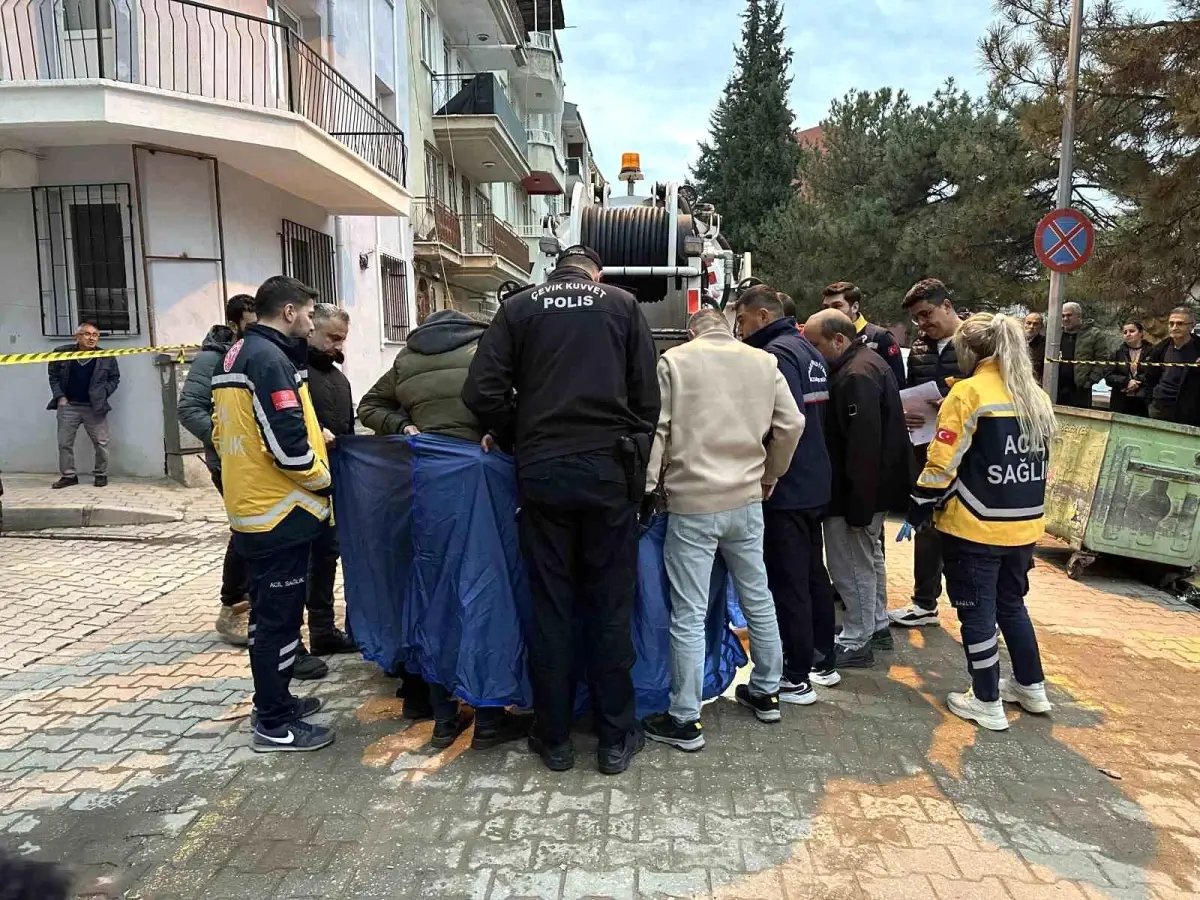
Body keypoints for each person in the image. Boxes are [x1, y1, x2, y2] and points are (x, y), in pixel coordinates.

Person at [463, 245, 660, 775]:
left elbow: (481, 391)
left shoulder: (519, 307)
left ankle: (553, 739)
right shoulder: (621, 305)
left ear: (555, 272)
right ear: (597, 273)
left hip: (543, 472)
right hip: (608, 471)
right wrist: (630, 450)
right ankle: (614, 738)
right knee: (609, 605)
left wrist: (521, 433)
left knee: (551, 606)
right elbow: (647, 399)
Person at [358, 308, 531, 751]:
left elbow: (369, 407)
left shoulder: (406, 359)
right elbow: (515, 401)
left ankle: (443, 719)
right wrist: (498, 433)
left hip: (429, 484)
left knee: (433, 593)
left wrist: (404, 426)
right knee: (487, 591)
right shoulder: (486, 348)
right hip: (482, 480)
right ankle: (489, 717)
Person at [640, 306, 801, 752]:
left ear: (691, 333)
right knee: (757, 596)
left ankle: (685, 717)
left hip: (692, 503)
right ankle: (767, 691)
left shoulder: (675, 361)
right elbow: (792, 423)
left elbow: (659, 430)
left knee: (689, 611)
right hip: (746, 500)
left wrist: (648, 488)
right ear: (732, 329)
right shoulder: (764, 361)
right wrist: (771, 473)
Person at [901, 313, 1056, 731]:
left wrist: (920, 503)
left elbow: (942, 461)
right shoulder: (1035, 396)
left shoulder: (969, 393)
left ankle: (986, 699)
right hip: (1024, 524)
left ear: (969, 351)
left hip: (974, 524)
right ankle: (1031, 686)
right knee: (1012, 604)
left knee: (976, 612)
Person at [212, 275, 335, 753]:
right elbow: (287, 446)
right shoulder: (268, 359)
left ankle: (278, 700)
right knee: (277, 621)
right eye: (309, 313)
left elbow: (228, 431)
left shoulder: (238, 352)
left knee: (270, 617)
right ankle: (273, 722)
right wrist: (324, 480)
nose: (311, 322)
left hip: (255, 505)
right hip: (279, 511)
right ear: (288, 312)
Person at [734, 285, 838, 697]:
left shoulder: (773, 355)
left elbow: (781, 424)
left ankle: (795, 675)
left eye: (742, 320)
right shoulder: (807, 349)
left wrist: (768, 474)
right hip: (815, 480)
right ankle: (821, 658)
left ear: (762, 315)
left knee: (788, 580)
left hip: (787, 485)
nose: (740, 330)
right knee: (812, 574)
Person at [805, 310, 912, 670]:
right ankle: (873, 625)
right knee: (867, 559)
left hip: (855, 493)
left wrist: (858, 505)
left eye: (816, 344)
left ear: (838, 340)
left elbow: (862, 447)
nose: (813, 353)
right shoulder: (864, 365)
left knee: (850, 565)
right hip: (868, 490)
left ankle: (857, 639)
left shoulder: (855, 375)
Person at [178, 294, 265, 650]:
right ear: (233, 324)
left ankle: (259, 603)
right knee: (244, 530)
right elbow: (189, 408)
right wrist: (225, 439)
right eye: (251, 324)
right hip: (228, 461)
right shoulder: (213, 359)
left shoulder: (259, 353)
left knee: (264, 528)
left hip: (261, 461)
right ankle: (233, 606)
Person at [888, 278, 964, 629]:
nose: (923, 323)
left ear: (947, 306)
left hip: (966, 452)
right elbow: (909, 390)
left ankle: (978, 608)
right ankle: (924, 602)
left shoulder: (976, 341)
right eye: (917, 318)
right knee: (926, 524)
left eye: (926, 314)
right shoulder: (919, 347)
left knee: (964, 532)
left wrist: (953, 403)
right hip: (926, 447)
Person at [303, 304, 357, 658]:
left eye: (342, 339)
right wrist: (316, 433)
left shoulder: (339, 380)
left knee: (327, 555)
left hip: (333, 481)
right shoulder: (294, 373)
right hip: (299, 481)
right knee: (304, 561)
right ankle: (294, 640)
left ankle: (323, 631)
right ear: (312, 330)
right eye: (332, 337)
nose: (338, 346)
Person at [47, 321, 120, 489]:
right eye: (87, 334)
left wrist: (103, 393)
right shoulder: (61, 353)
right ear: (77, 336)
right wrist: (60, 397)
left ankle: (100, 474)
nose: (91, 338)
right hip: (69, 406)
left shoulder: (106, 356)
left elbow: (114, 378)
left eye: (95, 335)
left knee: (101, 443)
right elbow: (53, 376)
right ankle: (69, 476)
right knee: (64, 443)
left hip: (94, 407)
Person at [821, 281, 905, 385]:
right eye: (826, 307)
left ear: (855, 307)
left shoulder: (880, 337)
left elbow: (897, 384)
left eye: (837, 306)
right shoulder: (822, 338)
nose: (829, 312)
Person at [1144, 306, 1200, 426]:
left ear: (1191, 326)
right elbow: (1149, 378)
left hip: (1191, 412)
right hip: (1160, 409)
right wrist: (1151, 403)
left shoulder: (1198, 348)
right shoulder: (1160, 349)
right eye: (1171, 323)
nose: (1174, 327)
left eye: (1180, 323)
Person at [1056, 302, 1111, 409]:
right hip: (1056, 387)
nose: (1065, 319)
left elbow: (1102, 360)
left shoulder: (1094, 334)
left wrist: (1090, 381)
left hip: (1080, 389)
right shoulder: (1056, 334)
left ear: (1079, 316)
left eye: (1069, 315)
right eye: (1063, 316)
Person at [1105, 320, 1151, 417]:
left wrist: (1136, 382)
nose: (1128, 334)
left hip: (1144, 400)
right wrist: (1126, 382)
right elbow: (1108, 376)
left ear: (1141, 333)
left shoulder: (1152, 351)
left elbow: (1154, 373)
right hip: (1121, 399)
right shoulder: (1117, 353)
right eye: (1125, 332)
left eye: (1132, 331)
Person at [1024, 312, 1046, 382]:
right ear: (1023, 324)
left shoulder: (1045, 344)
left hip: (1034, 382)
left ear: (1041, 326)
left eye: (1035, 324)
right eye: (1028, 323)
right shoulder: (1015, 341)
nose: (1031, 327)